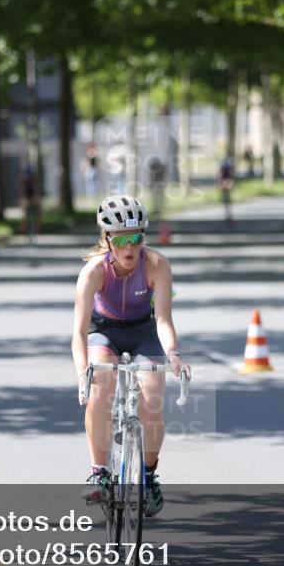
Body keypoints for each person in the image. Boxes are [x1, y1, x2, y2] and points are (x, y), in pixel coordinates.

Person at [72, 195, 191, 517]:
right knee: (101, 385)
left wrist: (174, 354)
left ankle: (149, 477)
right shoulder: (93, 272)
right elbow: (79, 332)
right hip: (104, 332)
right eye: (121, 239)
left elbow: (163, 319)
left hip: (144, 333)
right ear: (107, 239)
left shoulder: (157, 265)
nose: (129, 247)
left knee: (152, 397)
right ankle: (99, 473)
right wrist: (83, 374)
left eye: (136, 238)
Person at [19, 164, 41, 239]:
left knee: (37, 212)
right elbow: (23, 192)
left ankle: (36, 228)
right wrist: (23, 200)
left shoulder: (34, 181)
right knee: (25, 214)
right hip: (27, 197)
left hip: (32, 196)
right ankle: (25, 228)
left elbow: (36, 191)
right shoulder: (24, 181)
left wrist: (36, 199)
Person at [218, 157, 235, 224]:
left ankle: (228, 215)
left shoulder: (223, 165)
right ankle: (228, 215)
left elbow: (220, 174)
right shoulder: (229, 164)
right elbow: (231, 174)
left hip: (225, 183)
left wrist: (220, 183)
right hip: (227, 182)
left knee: (226, 200)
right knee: (227, 200)